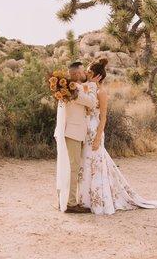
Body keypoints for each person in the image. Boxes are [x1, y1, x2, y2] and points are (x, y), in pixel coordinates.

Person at [78, 58, 157, 215]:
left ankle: (99, 201)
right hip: (86, 131)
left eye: (89, 71)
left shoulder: (101, 93)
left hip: (95, 131)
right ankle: (86, 200)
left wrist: (98, 137)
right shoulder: (88, 90)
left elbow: (103, 117)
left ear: (98, 76)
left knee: (96, 165)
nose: (86, 73)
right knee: (86, 164)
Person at [54, 61, 99, 213]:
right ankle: (71, 203)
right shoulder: (75, 90)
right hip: (73, 133)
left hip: (71, 132)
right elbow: (92, 102)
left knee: (69, 166)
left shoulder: (70, 89)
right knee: (73, 167)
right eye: (82, 72)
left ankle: (65, 199)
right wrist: (93, 85)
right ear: (77, 74)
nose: (84, 74)